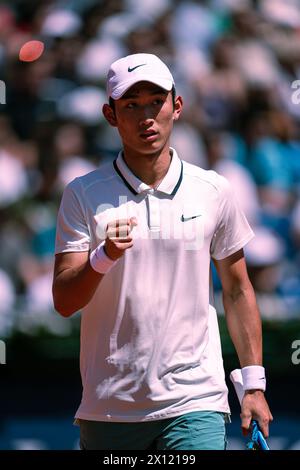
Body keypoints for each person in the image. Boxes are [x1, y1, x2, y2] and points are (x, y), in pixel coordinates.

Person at [52, 53, 272, 450]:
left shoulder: (214, 190)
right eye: (131, 106)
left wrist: (253, 385)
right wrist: (103, 257)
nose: (146, 117)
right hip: (109, 409)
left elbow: (238, 289)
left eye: (156, 101)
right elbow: (65, 301)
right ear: (110, 115)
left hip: (196, 401)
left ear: (177, 105)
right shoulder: (81, 193)